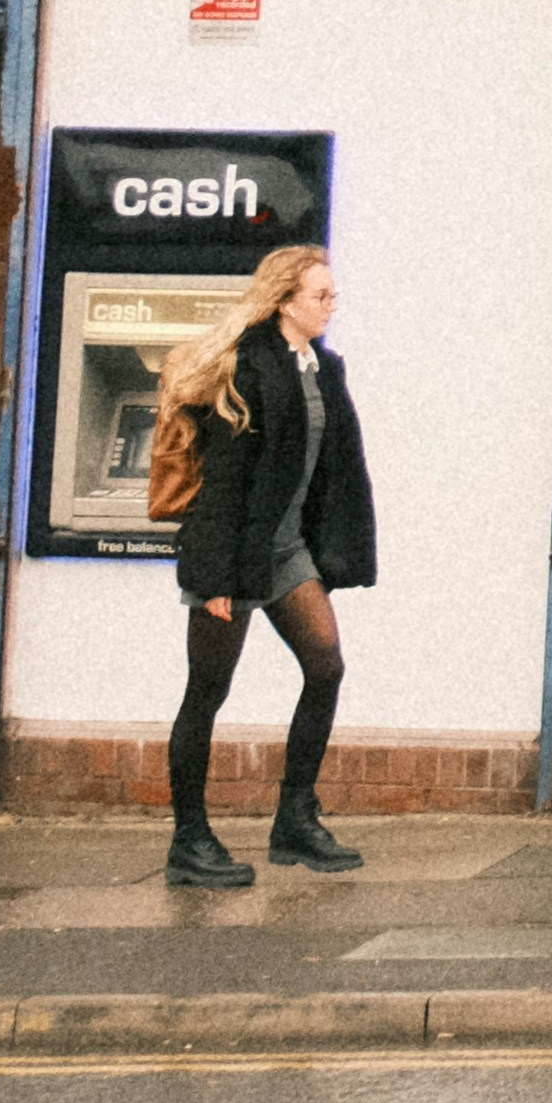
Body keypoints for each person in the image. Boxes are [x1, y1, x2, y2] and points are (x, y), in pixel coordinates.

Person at [156, 240, 380, 885]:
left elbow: (333, 472)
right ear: (284, 300)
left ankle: (294, 821)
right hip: (233, 553)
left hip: (286, 552)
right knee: (207, 692)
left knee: (325, 666)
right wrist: (213, 578)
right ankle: (190, 841)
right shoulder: (249, 368)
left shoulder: (319, 367)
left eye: (334, 293)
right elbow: (225, 480)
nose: (331, 304)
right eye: (320, 295)